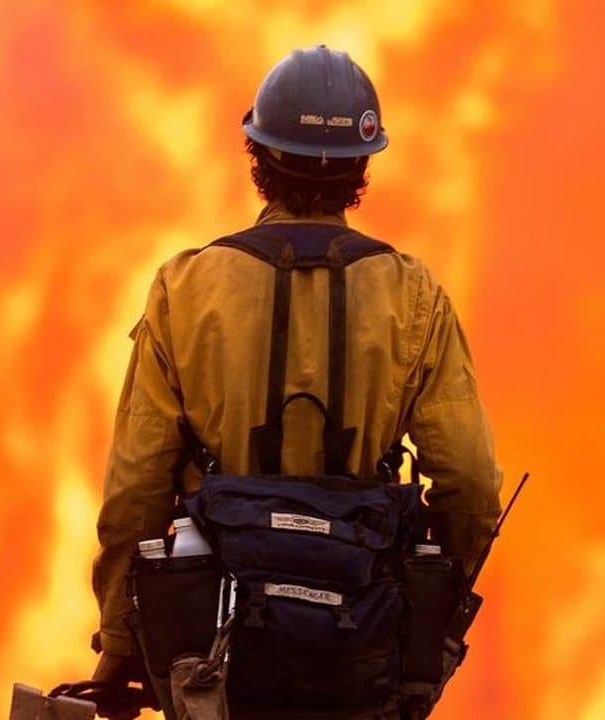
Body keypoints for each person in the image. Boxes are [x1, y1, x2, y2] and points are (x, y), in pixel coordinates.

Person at [89, 45, 503, 717]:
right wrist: (430, 618)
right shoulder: (413, 296)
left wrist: (119, 641)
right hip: (362, 650)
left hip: (216, 656)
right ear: (362, 169)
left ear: (258, 157)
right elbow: (472, 484)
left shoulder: (186, 288)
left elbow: (135, 489)